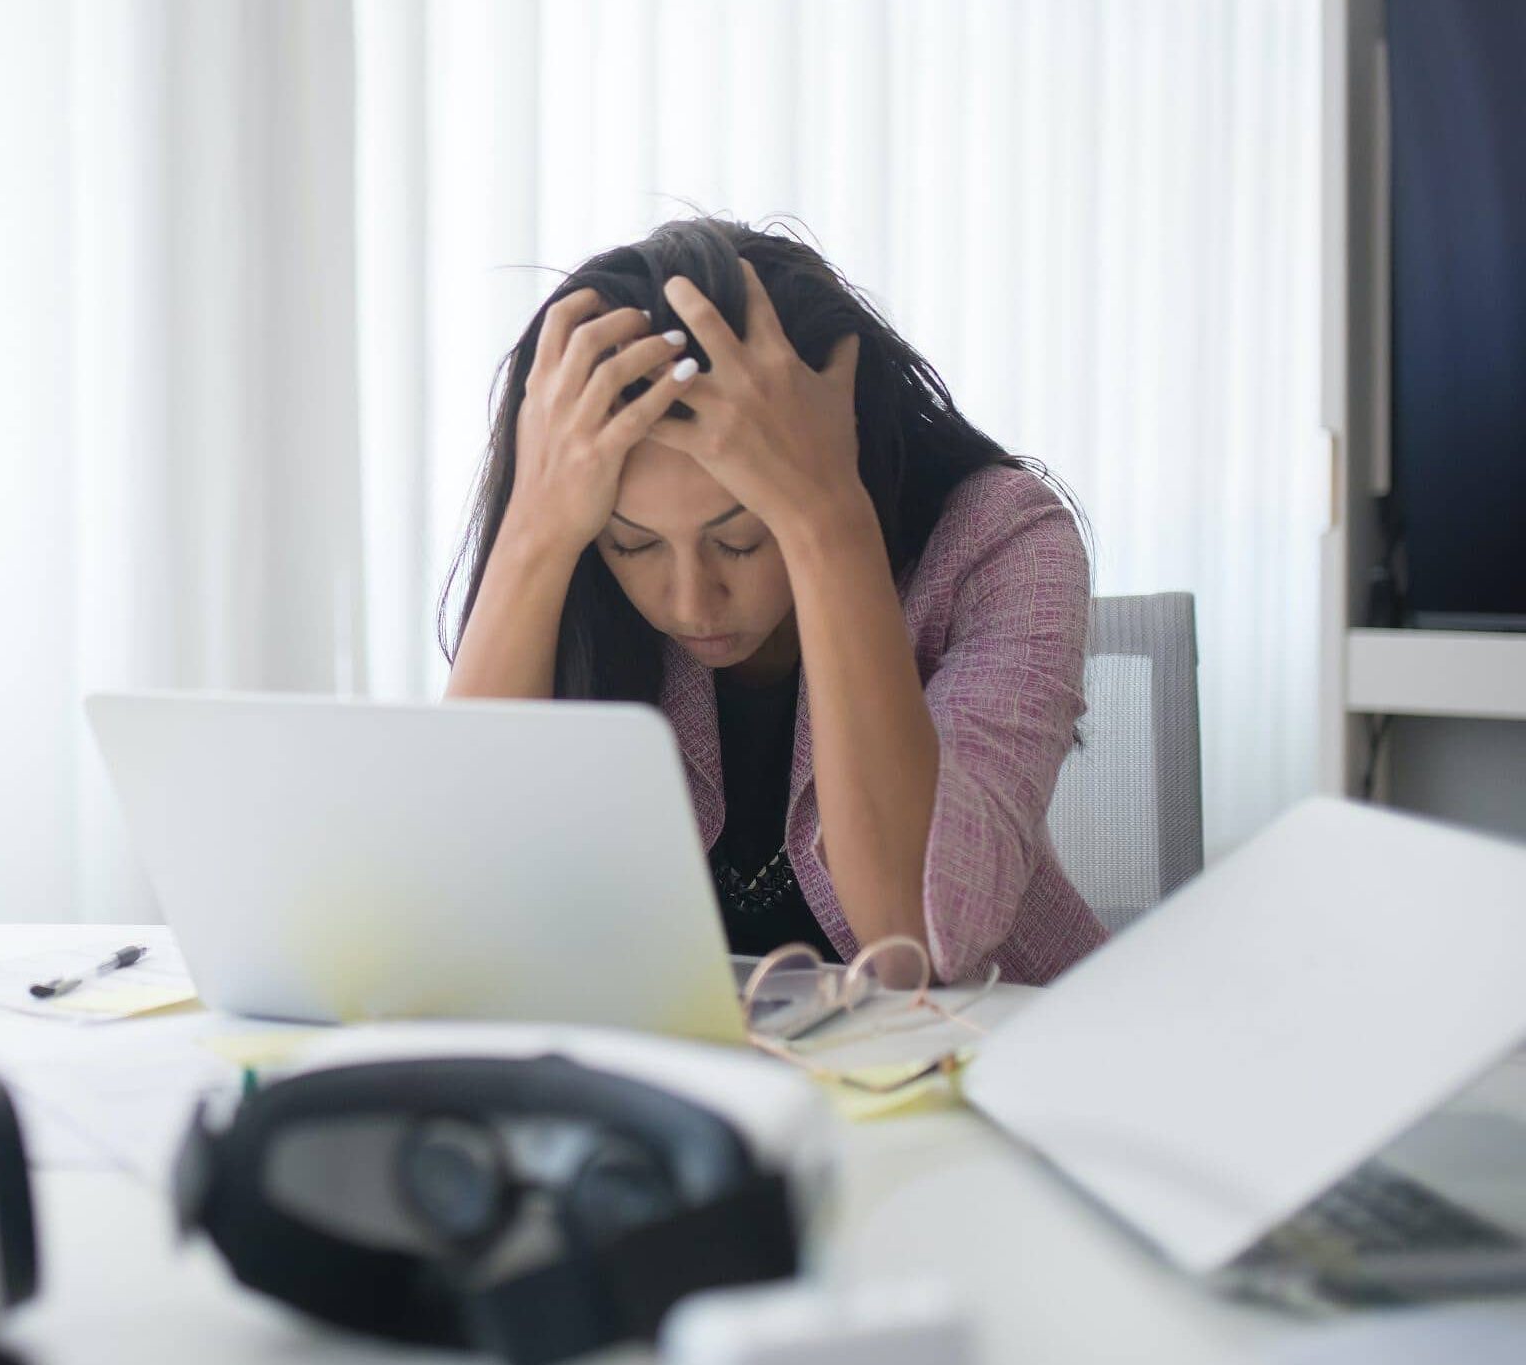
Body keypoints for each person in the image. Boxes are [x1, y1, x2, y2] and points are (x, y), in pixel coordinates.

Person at [441, 217, 1107, 985]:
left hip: (978, 1068)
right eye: (634, 544)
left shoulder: (1003, 537)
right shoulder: (575, 563)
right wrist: (536, 533)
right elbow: (463, 904)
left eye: (742, 540)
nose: (693, 601)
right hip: (687, 1079)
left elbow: (916, 942)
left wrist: (827, 521)